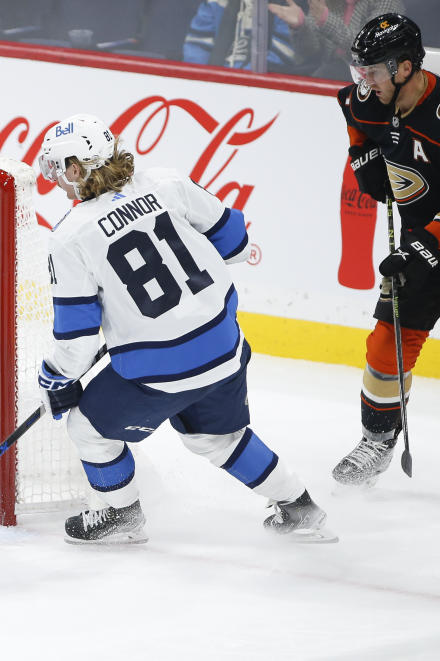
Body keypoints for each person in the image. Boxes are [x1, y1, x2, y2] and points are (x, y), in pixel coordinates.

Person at [35, 114, 336, 544]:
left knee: (87, 428)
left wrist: (53, 376)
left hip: (159, 371)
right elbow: (235, 244)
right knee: (218, 439)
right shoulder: (167, 182)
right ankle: (300, 506)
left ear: (77, 169)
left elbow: (78, 342)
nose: (58, 184)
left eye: (58, 172)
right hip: (224, 346)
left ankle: (122, 518)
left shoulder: (70, 237)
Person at [331, 14, 439, 486]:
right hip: (421, 241)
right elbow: (351, 110)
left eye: (373, 71)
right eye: (362, 70)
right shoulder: (369, 98)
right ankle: (377, 441)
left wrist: (421, 246)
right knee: (387, 343)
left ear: (405, 68)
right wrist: (365, 156)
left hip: (430, 240)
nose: (364, 82)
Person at [268, 0, 405, 80]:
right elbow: (310, 52)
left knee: (330, 70)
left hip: (371, 79)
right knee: (275, 73)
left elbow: (368, 46)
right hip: (326, 73)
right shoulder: (329, 2)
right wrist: (301, 26)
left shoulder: (388, 3)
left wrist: (325, 20)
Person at [183, 0, 310, 73]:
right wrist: (203, 80)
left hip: (259, 91)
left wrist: (242, 80)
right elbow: (196, 48)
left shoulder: (286, 6)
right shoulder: (216, 2)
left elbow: (281, 58)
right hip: (212, 85)